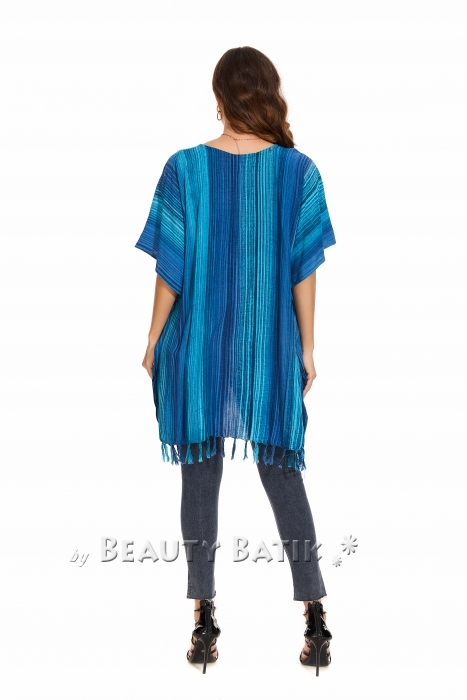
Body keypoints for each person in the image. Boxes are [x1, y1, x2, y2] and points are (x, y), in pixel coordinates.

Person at [135, 46, 336, 675]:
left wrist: (153, 340)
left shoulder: (185, 169)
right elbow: (304, 270)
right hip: (268, 350)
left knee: (199, 477)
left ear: (219, 97)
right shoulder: (298, 172)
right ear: (269, 95)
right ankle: (316, 618)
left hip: (197, 346)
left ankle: (203, 619)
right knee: (283, 474)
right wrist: (307, 347)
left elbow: (170, 270)